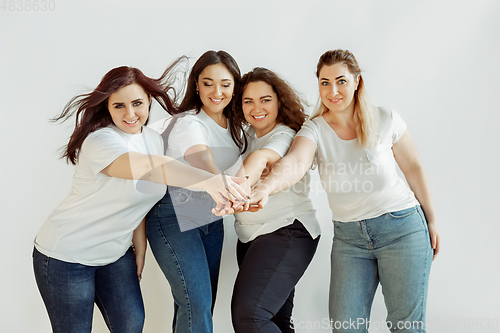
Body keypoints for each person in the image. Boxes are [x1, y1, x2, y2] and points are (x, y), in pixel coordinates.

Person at [33, 64, 247, 333]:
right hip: (67, 255)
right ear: (107, 107)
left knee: (131, 324)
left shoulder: (154, 139)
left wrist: (140, 248)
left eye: (137, 103)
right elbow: (149, 167)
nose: (130, 113)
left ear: (149, 101)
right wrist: (212, 181)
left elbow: (142, 201)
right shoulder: (101, 141)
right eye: (119, 106)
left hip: (115, 255)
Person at [250, 49, 440, 332]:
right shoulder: (313, 130)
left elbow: (413, 167)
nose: (332, 90)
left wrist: (431, 219)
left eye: (340, 81)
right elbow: (295, 163)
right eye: (324, 82)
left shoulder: (385, 118)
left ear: (356, 81)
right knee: (345, 327)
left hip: (403, 229)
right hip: (350, 240)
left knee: (406, 326)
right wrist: (265, 187)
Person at [146, 50, 246, 333]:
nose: (217, 91)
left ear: (235, 86)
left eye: (225, 84)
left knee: (197, 306)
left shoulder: (235, 126)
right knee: (197, 305)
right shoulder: (189, 122)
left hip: (212, 219)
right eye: (208, 83)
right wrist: (227, 189)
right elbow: (201, 160)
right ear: (197, 85)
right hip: (174, 215)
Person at [229, 67, 321, 333]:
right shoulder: (246, 138)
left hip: (286, 231)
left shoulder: (286, 135)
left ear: (279, 101)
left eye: (265, 99)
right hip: (250, 237)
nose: (256, 108)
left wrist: (238, 189)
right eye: (248, 101)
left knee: (250, 316)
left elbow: (261, 159)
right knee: (275, 321)